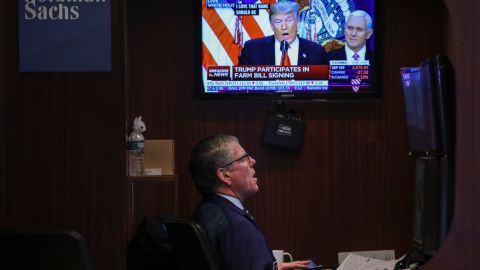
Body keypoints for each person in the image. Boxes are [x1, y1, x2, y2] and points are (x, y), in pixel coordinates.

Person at [189, 134, 310, 270]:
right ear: (225, 175)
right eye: (244, 158)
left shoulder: (206, 210)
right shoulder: (236, 226)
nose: (253, 161)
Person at [238, 1, 327, 66]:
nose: (284, 27)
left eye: (289, 20)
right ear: (271, 25)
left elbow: (327, 88)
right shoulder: (252, 50)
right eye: (278, 21)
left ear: (298, 22)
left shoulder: (317, 52)